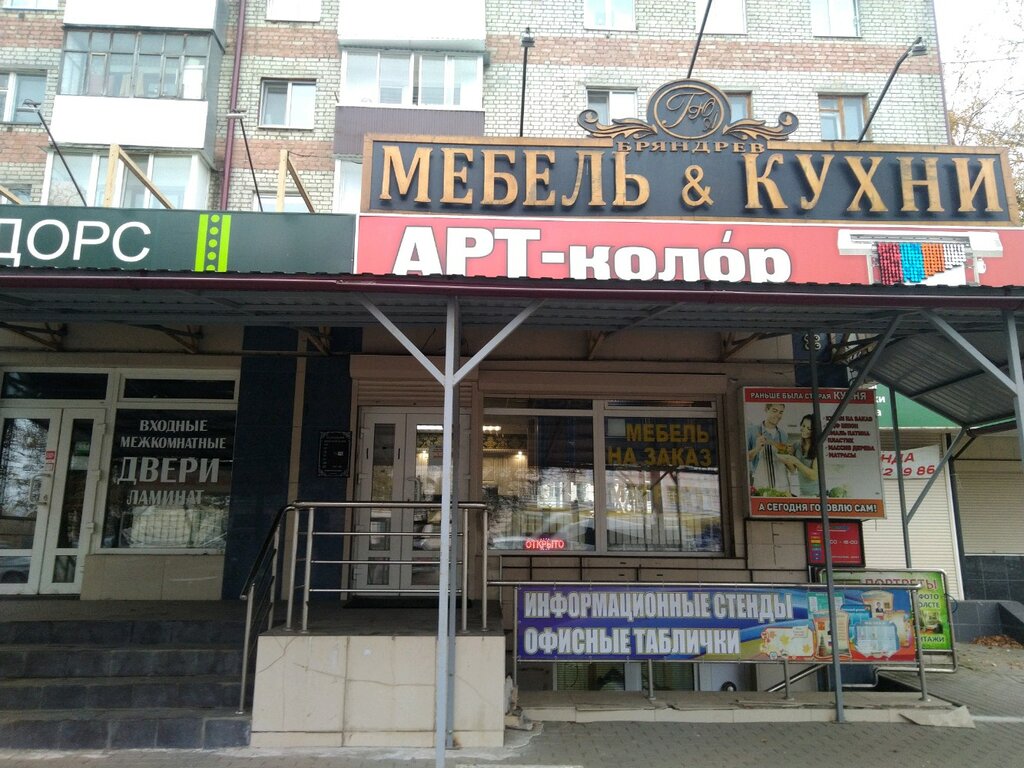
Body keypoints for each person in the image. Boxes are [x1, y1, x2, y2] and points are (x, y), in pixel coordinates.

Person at [746, 402, 792, 495]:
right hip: (761, 485)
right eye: (774, 411)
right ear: (766, 410)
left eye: (781, 412)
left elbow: (788, 464)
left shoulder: (783, 435)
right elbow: (744, 459)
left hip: (782, 485)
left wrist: (789, 456)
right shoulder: (752, 431)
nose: (778, 415)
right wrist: (757, 449)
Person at [780, 414, 819, 496]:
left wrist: (796, 461)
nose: (804, 429)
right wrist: (788, 456)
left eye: (809, 428)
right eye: (803, 426)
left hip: (817, 494)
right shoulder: (796, 445)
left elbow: (814, 476)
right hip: (802, 493)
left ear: (814, 431)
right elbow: (792, 470)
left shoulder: (818, 448)